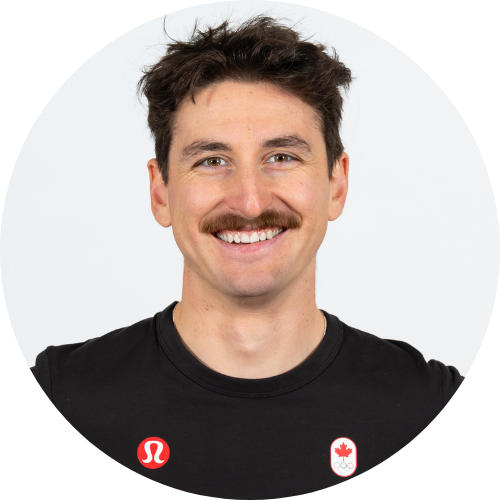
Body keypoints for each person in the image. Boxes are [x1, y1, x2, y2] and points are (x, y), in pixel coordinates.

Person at [30, 15, 464, 497]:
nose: (250, 202)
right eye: (212, 161)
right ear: (160, 192)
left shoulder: (428, 406)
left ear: (337, 185)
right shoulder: (63, 397)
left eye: (282, 157)